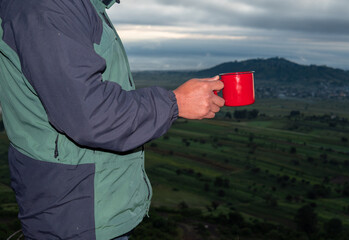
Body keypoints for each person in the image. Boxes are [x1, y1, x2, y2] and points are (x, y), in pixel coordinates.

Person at [0, 0, 224, 239]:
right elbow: (90, 115)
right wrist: (176, 102)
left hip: (84, 206)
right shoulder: (49, 7)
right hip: (77, 212)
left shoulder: (77, 6)